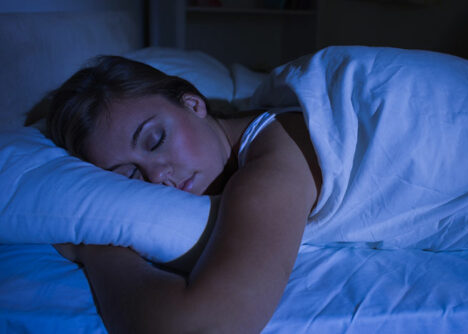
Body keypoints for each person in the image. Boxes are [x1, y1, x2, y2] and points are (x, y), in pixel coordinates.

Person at [43, 55, 322, 333]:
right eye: (129, 174)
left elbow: (205, 327)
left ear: (194, 104)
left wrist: (96, 251)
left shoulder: (272, 161)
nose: (157, 176)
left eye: (156, 140)